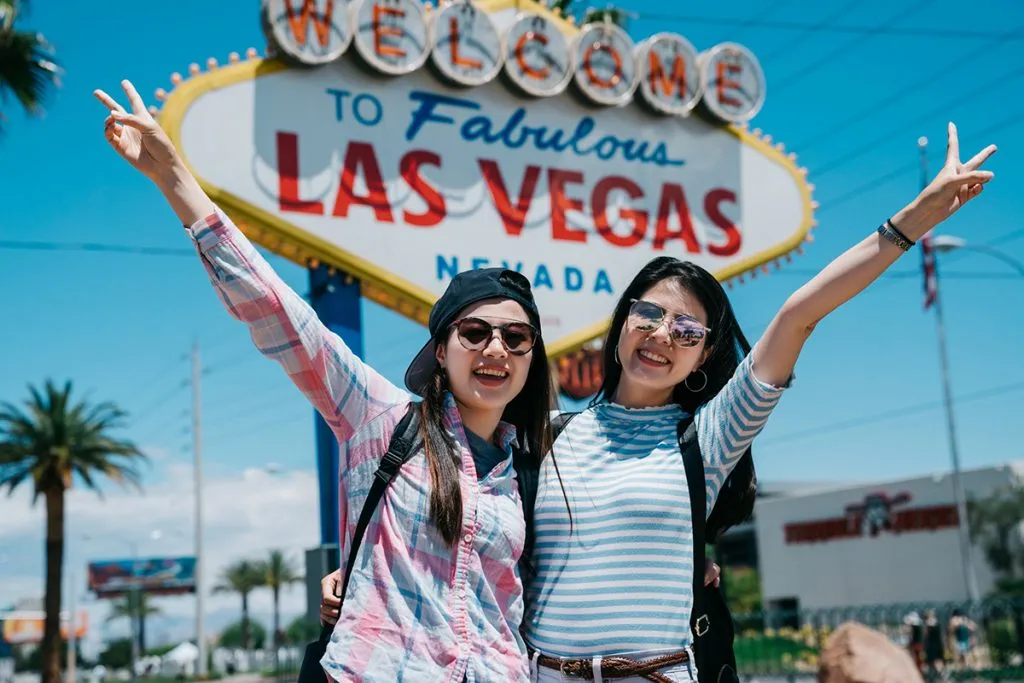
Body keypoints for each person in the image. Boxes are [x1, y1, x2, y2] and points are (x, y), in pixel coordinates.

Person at [94, 80, 557, 683]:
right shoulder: (382, 417)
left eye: (515, 338)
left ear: (530, 358)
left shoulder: (536, 466)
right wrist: (174, 178)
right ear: (441, 351)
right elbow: (280, 314)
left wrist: (698, 568)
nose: (496, 348)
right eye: (475, 332)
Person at [519, 121, 993, 682]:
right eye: (648, 315)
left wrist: (916, 219)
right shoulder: (544, 433)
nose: (662, 335)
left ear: (703, 357)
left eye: (687, 330)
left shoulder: (709, 437)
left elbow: (799, 315)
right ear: (622, 322)